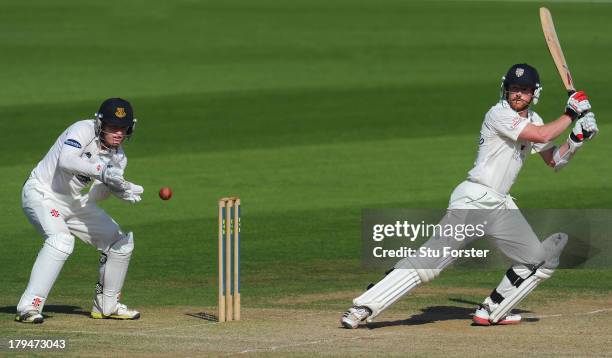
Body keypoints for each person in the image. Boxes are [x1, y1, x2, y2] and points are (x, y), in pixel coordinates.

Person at [341, 64, 599, 328]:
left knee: (538, 261)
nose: (517, 94)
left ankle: (492, 310)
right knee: (431, 262)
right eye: (513, 89)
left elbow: (555, 161)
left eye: (523, 90)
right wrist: (571, 112)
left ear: (534, 93)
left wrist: (577, 138)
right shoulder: (498, 114)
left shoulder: (534, 119)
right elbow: (541, 135)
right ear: (505, 90)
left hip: (500, 205)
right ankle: (363, 307)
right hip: (474, 199)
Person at [16, 98, 144, 324]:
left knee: (120, 244)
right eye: (112, 126)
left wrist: (119, 189)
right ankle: (29, 306)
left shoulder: (119, 157)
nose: (117, 133)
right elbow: (66, 161)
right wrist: (101, 170)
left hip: (74, 202)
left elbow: (95, 196)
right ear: (100, 123)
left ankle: (107, 305)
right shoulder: (82, 129)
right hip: (42, 193)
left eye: (123, 129)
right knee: (61, 240)